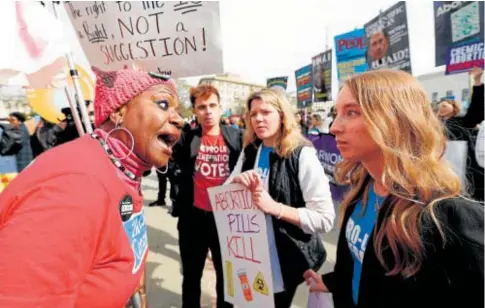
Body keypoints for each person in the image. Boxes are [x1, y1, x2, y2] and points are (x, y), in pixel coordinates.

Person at [0, 67, 183, 307]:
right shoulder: (76, 186)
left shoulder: (122, 170)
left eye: (176, 110)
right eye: (162, 104)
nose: (179, 119)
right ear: (119, 110)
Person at [304, 69, 484, 308]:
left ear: (395, 119)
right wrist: (334, 282)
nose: (335, 127)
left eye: (352, 112)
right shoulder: (363, 189)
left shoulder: (449, 216)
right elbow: (363, 264)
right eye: (337, 113)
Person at [229, 88, 335, 307]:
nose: (258, 118)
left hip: (288, 261)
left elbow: (324, 219)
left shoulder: (302, 154)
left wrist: (275, 208)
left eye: (266, 112)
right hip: (251, 257)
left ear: (282, 116)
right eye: (253, 114)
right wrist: (237, 182)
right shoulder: (250, 150)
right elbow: (226, 191)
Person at [174, 84, 243, 308]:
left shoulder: (236, 136)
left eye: (213, 105)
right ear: (194, 110)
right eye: (202, 107)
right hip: (193, 218)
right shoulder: (187, 138)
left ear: (220, 107)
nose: (208, 112)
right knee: (192, 277)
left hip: (226, 220)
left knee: (227, 278)